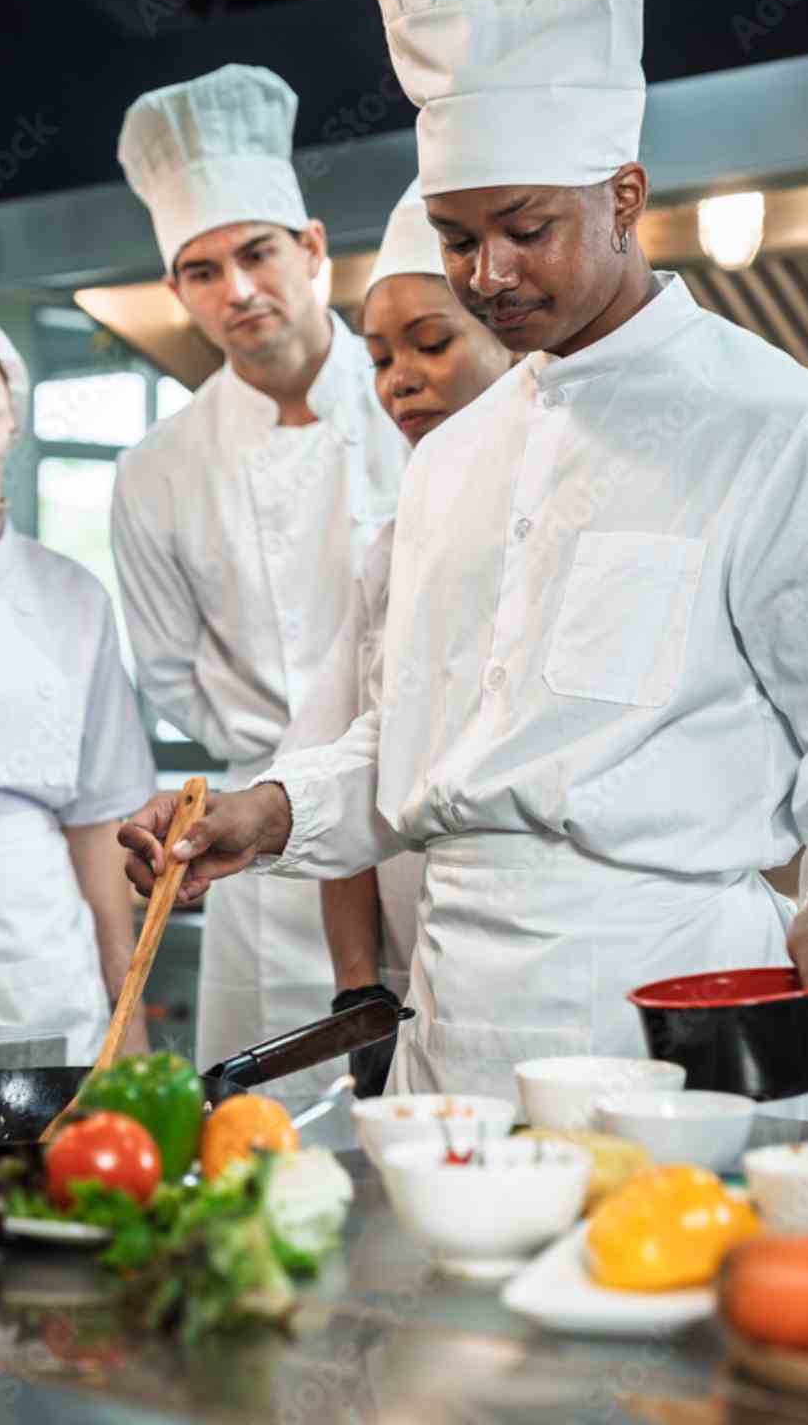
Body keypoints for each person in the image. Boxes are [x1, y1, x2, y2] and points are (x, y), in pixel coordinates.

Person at [121, 0, 808, 1121]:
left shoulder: (777, 425)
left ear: (623, 195)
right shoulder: (453, 463)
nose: (487, 274)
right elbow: (410, 739)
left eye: (524, 231)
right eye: (456, 239)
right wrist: (268, 812)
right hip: (460, 1039)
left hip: (677, 1018)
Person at [112, 64, 408, 1093]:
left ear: (314, 248)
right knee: (261, 1152)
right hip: (255, 863)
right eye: (201, 270)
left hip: (417, 841)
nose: (235, 290)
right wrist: (276, 759)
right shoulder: (157, 469)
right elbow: (168, 669)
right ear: (177, 292)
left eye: (256, 253)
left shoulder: (414, 405)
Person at [275, 180, 513, 1093]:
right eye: (378, 357)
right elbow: (350, 763)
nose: (398, 380)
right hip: (421, 985)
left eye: (431, 342)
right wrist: (355, 992)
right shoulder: (391, 554)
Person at [0, 305, 153, 1060]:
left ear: (11, 403)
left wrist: (127, 1009)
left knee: (57, 1165)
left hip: (49, 940)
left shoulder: (75, 594)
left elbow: (100, 815)